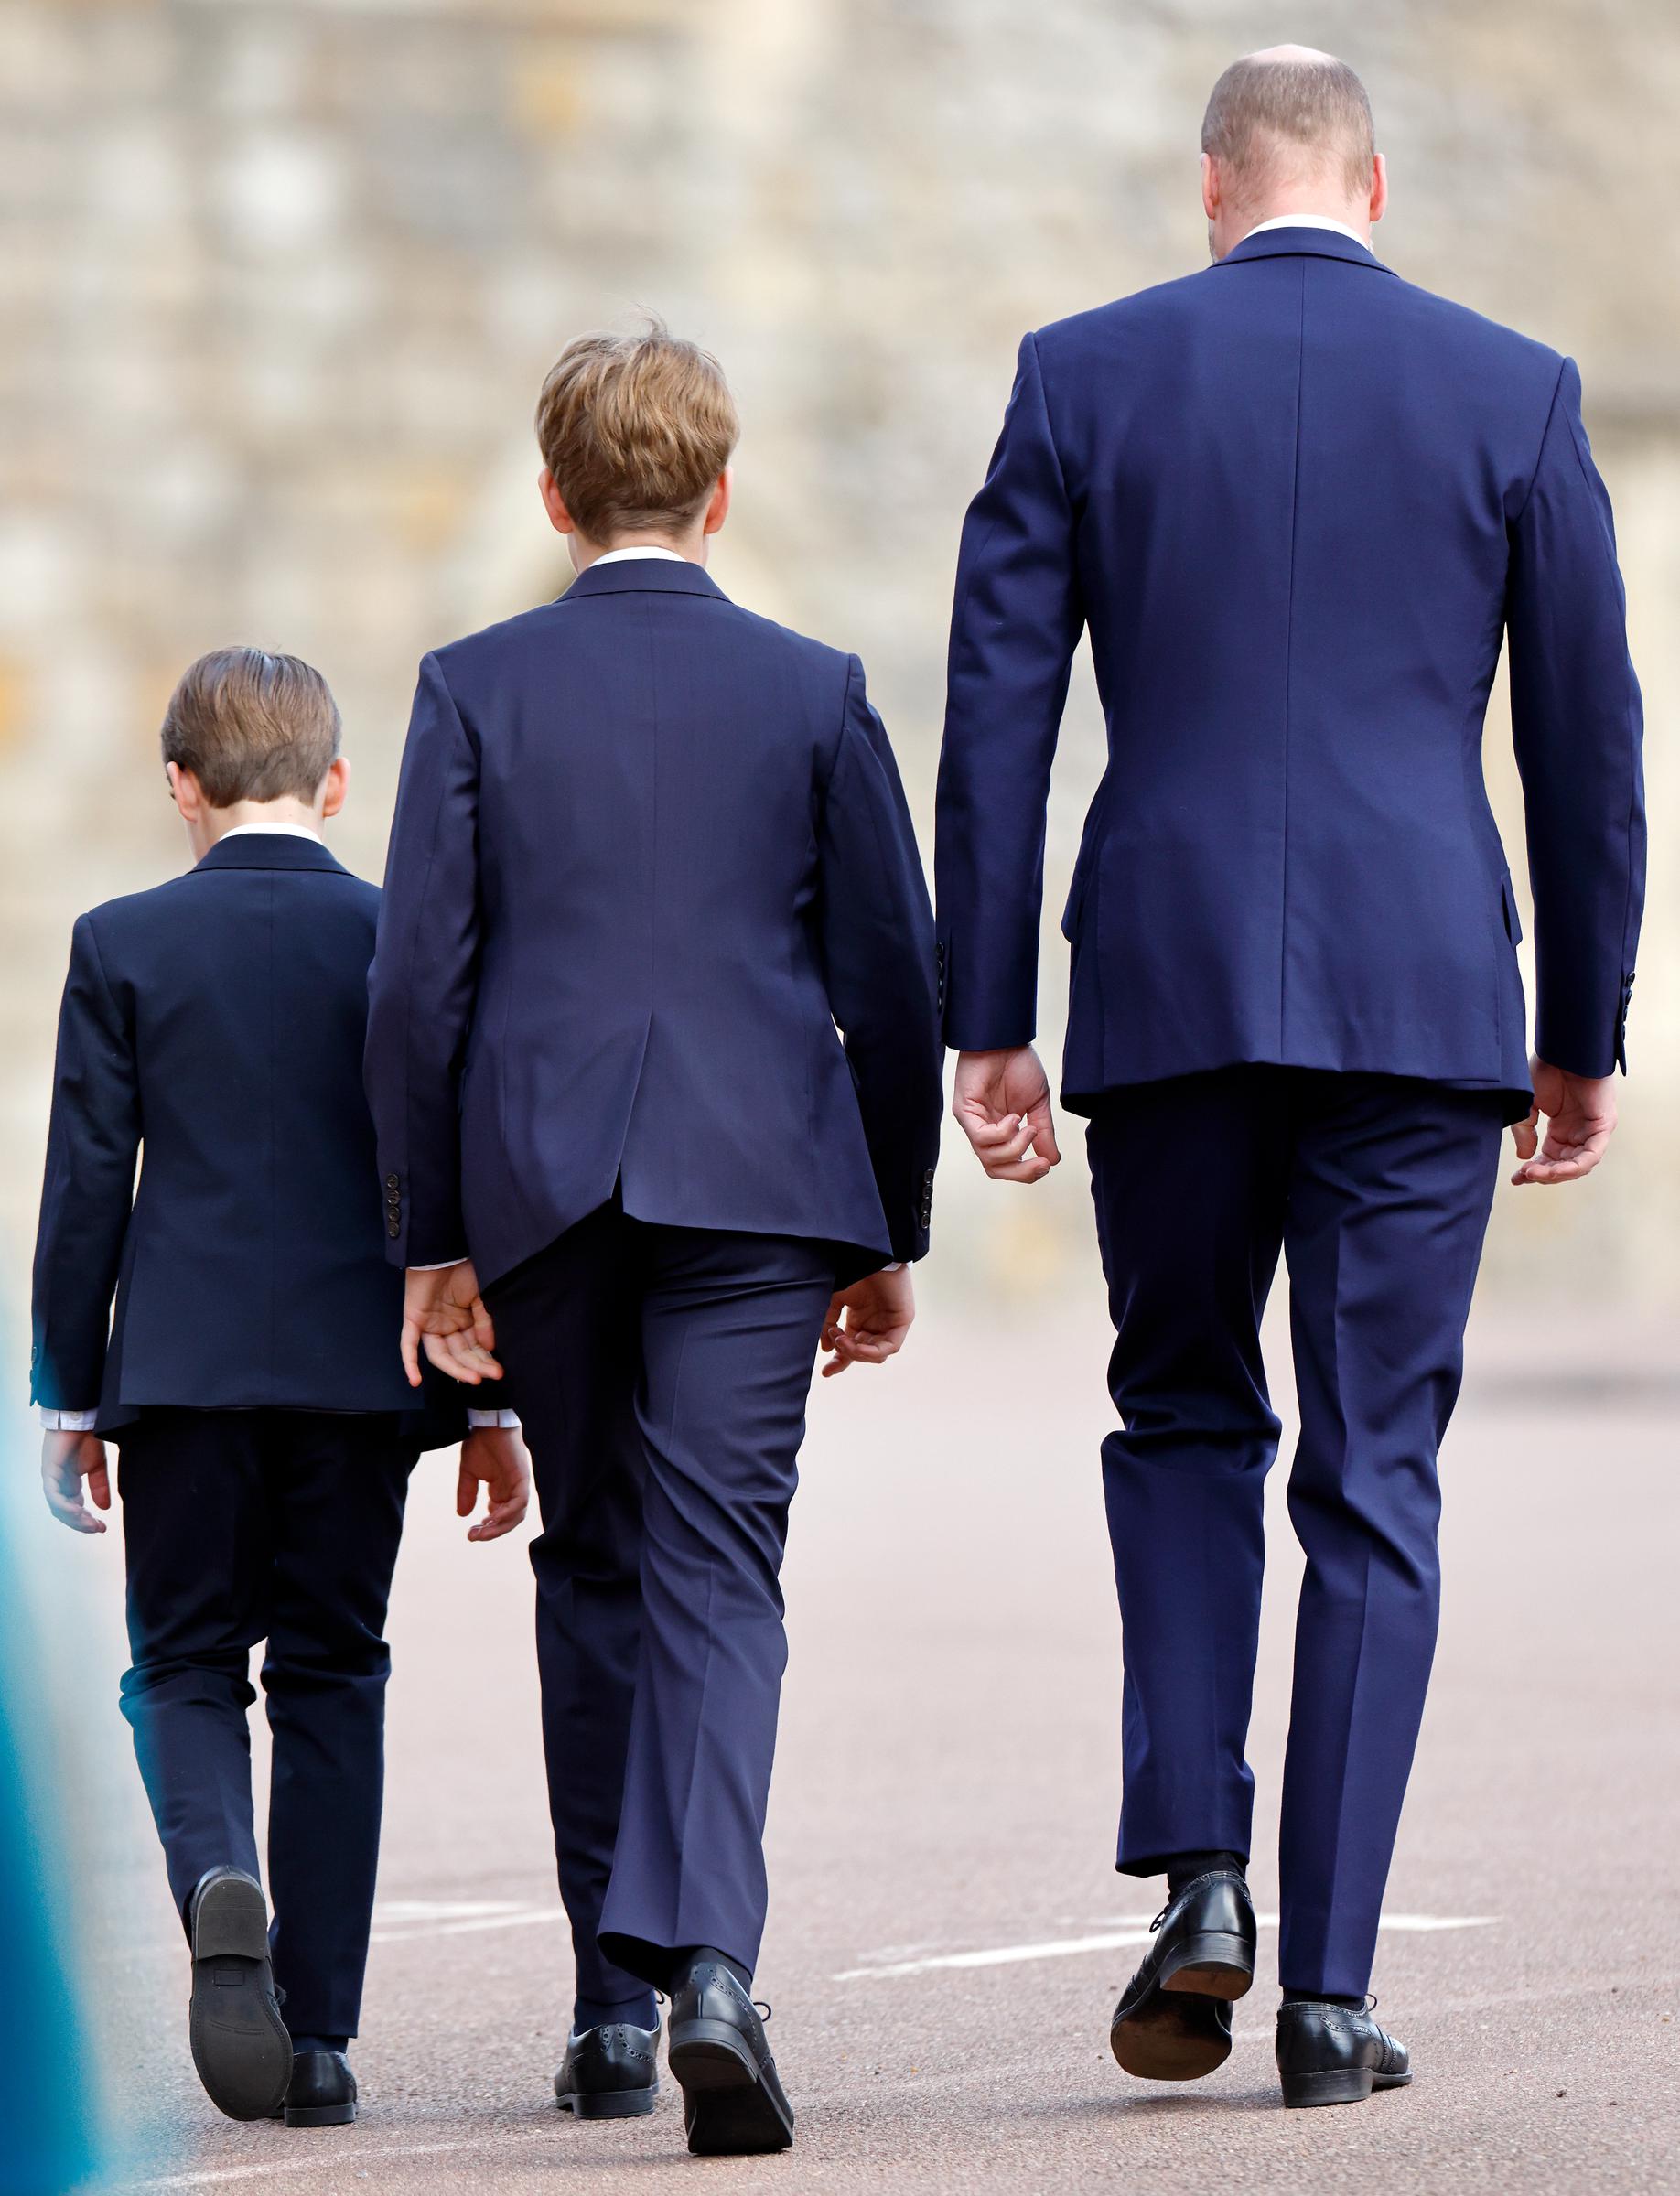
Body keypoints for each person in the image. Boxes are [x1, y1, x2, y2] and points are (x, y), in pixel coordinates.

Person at [935, 46, 1643, 2109]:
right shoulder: (1514, 391)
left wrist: (988, 1012)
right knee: (1376, 1473)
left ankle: (1200, 1872)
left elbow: (997, 719)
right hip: (1423, 1003)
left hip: (1161, 988)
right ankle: (1328, 1991)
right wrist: (1580, 1032)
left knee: (1176, 1415)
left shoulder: (1081, 375)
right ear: (1381, 185)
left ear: (1213, 189)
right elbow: (1592, 745)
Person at [365, 321, 943, 2157]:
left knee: (595, 1563)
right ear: (721, 493)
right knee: (719, 1572)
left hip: (539, 1188)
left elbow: (415, 988)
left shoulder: (471, 685)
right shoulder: (815, 687)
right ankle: (707, 1968)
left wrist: (427, 1237)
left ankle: (613, 2012)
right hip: (763, 1182)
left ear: (553, 499)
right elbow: (894, 976)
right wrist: (889, 1225)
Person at [30, 648, 530, 2130]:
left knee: (182, 1664)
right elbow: (469, 1165)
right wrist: (494, 1403)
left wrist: (69, 1390)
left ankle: (212, 1875)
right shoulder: (403, 939)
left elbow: (83, 1191)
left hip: (178, 1373)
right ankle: (317, 2036)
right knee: (333, 1673)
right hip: (357, 1376)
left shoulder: (120, 942)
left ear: (179, 785)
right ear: (335, 783)